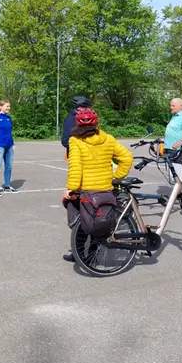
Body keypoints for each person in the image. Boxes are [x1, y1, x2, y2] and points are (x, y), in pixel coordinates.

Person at [61, 107, 133, 262]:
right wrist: (117, 176)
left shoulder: (75, 141)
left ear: (77, 124)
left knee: (81, 222)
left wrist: (71, 188)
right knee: (98, 221)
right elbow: (127, 157)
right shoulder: (108, 139)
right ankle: (93, 253)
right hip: (105, 189)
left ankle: (78, 254)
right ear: (96, 123)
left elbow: (75, 167)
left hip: (86, 190)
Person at [164, 98, 182, 182]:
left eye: (173, 105)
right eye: (170, 105)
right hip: (169, 149)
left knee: (177, 175)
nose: (171, 107)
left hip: (177, 150)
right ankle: (178, 192)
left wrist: (180, 142)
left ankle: (181, 193)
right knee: (173, 175)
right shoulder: (174, 116)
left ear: (181, 106)